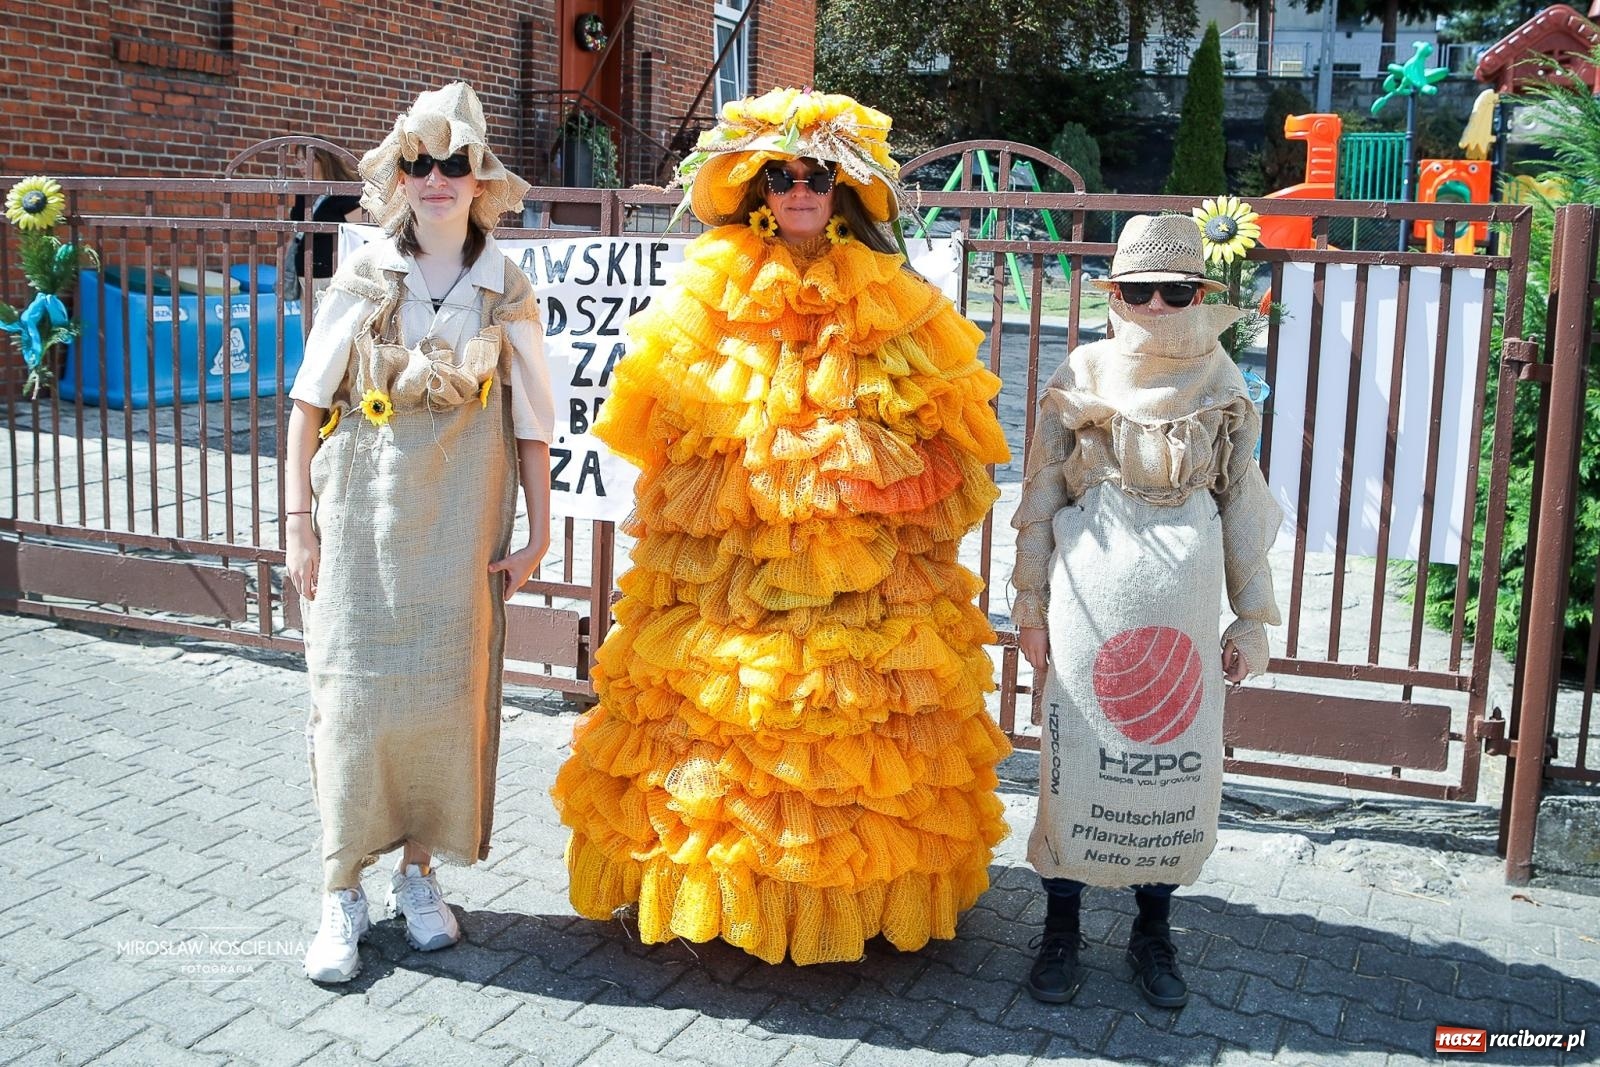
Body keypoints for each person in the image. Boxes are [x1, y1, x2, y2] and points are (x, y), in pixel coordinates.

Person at [551, 88, 1013, 966]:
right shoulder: (710, 285)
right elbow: (671, 420)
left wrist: (861, 463)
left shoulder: (893, 295)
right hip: (736, 568)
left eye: (817, 175)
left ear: (842, 189)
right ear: (757, 187)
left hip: (856, 568)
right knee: (734, 716)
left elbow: (940, 432)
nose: (799, 189)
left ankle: (848, 895)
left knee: (845, 723)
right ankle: (731, 894)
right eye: (781, 175)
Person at [283, 82, 554, 984]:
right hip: (359, 527)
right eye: (417, 162)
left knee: (443, 698)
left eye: (454, 163)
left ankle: (419, 876)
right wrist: (298, 530)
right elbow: (306, 402)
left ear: (481, 179)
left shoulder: (509, 288)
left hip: (462, 532)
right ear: (397, 176)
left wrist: (540, 530)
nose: (435, 179)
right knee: (354, 700)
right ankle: (339, 888)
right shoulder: (362, 275)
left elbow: (533, 423)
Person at [1010, 214, 1281, 1008]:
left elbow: (1242, 502)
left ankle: (1151, 933)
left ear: (1200, 292)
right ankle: (1061, 926)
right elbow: (1039, 495)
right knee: (1076, 761)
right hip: (1086, 607)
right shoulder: (1083, 371)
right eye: (1138, 289)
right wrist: (1029, 605)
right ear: (1114, 296)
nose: (1157, 305)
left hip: (1186, 614)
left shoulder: (1224, 382)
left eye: (1174, 289)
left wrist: (1252, 617)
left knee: (1170, 772)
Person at [286, 147, 366, 304]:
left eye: (306, 160)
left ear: (322, 161)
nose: (301, 166)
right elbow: (295, 232)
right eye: (298, 161)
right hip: (304, 273)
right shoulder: (303, 193)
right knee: (308, 326)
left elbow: (359, 232)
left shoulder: (344, 192)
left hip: (333, 274)